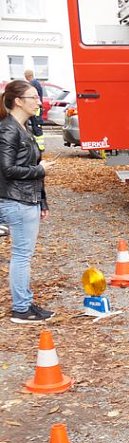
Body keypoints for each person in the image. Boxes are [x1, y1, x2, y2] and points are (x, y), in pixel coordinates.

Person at [0, 80, 55, 323]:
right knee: (22, 256)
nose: (38, 102)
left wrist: (41, 201)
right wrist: (40, 171)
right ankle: (21, 309)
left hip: (27, 200)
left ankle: (25, 303)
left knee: (23, 255)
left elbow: (29, 164)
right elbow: (7, 169)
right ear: (18, 101)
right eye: (33, 97)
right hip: (16, 201)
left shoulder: (24, 127)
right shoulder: (8, 130)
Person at [23, 70, 45, 152]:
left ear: (26, 76)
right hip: (37, 107)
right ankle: (39, 146)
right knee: (35, 126)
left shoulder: (32, 84)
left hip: (36, 108)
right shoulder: (36, 83)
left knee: (36, 126)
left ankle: (40, 147)